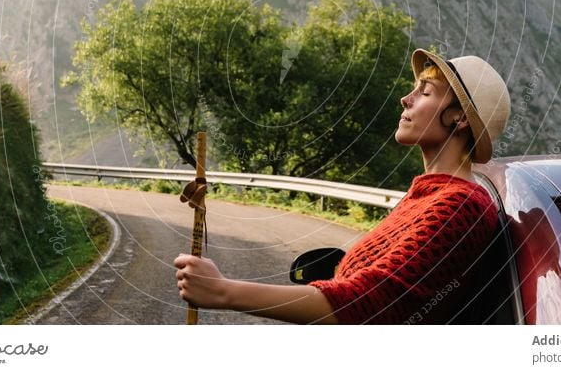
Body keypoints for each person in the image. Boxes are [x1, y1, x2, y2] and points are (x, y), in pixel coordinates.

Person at [173, 48, 511, 324]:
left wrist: (223, 292)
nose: (405, 100)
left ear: (460, 118)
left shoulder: (459, 205)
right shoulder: (427, 195)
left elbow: (369, 303)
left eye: (425, 92)